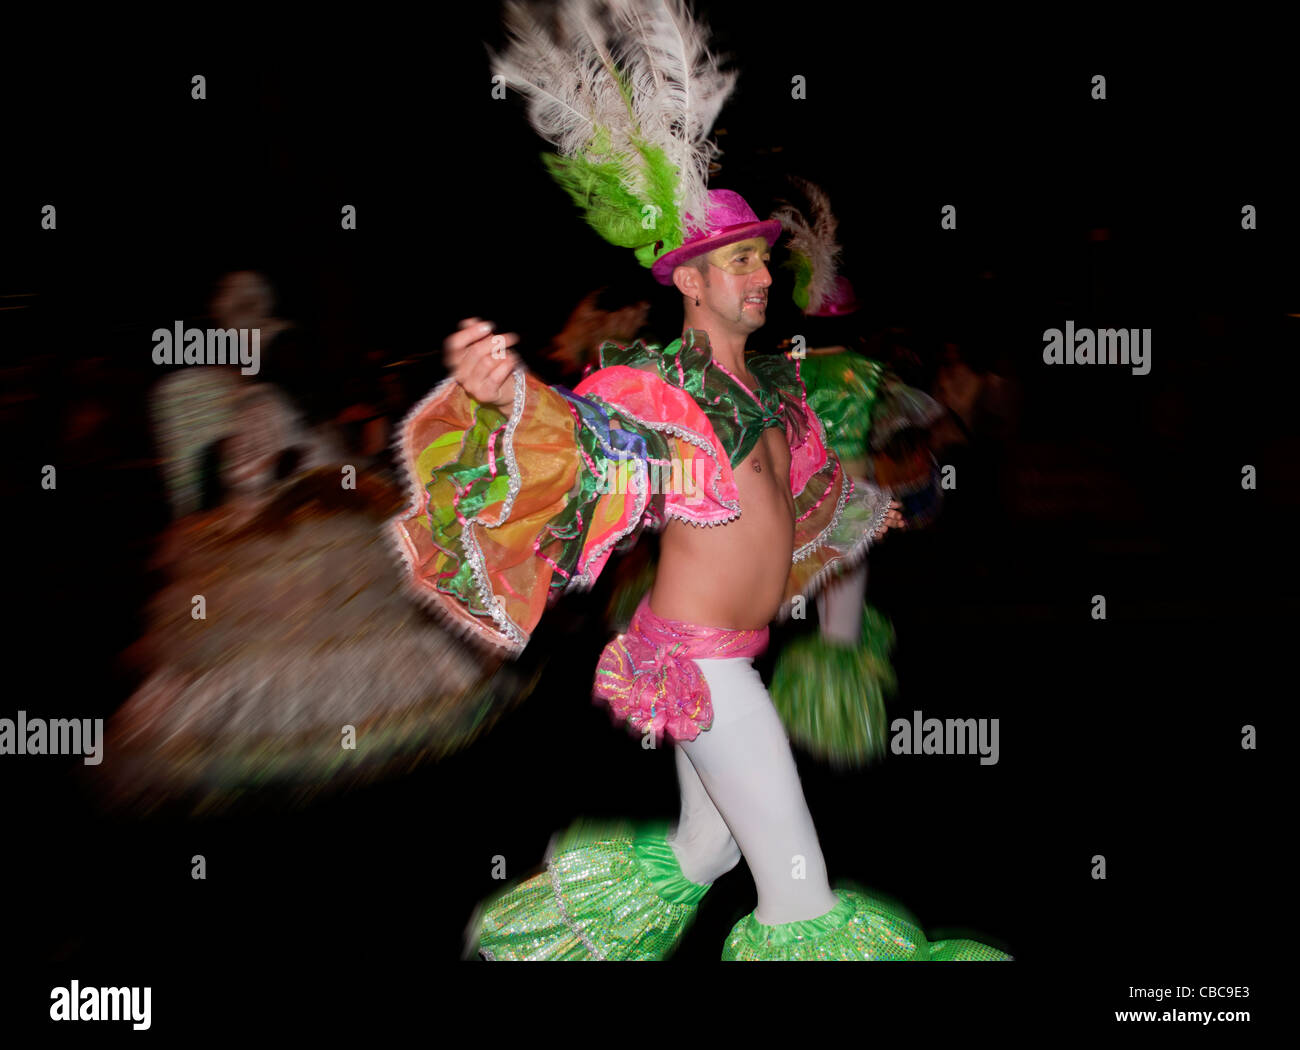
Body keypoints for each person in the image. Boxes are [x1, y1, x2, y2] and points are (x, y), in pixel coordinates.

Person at [389, 0, 1009, 961]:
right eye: (740, 262)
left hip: (733, 649)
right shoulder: (656, 388)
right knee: (798, 893)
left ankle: (546, 943)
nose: (763, 275)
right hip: (701, 665)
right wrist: (507, 395)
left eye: (764, 256)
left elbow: (801, 499)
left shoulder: (769, 390)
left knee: (706, 849)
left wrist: (863, 514)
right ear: (689, 280)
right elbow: (581, 434)